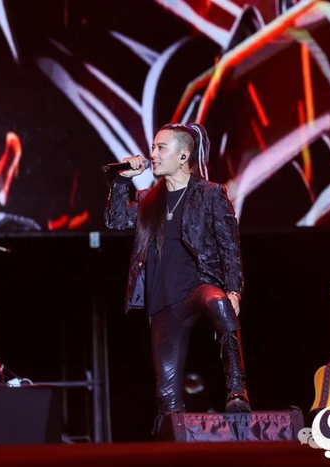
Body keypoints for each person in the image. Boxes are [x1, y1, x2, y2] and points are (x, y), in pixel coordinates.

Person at [105, 122, 250, 430]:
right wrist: (121, 180)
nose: (153, 154)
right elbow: (116, 220)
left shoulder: (210, 194)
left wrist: (234, 289)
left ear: (183, 155)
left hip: (198, 286)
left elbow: (229, 246)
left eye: (161, 148)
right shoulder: (147, 199)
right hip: (163, 302)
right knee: (167, 401)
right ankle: (173, 439)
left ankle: (237, 389)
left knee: (219, 303)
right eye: (152, 147)